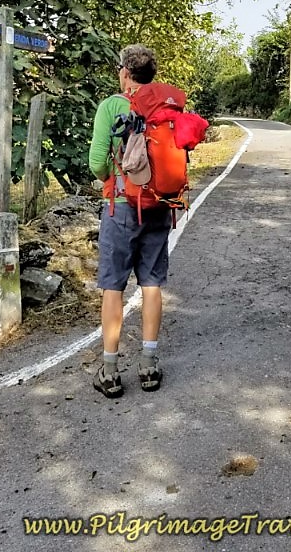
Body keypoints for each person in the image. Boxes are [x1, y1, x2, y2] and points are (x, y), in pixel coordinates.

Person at [87, 44, 171, 398]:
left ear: (124, 72)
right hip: (159, 205)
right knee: (151, 284)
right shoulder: (166, 104)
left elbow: (96, 162)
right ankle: (149, 366)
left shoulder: (112, 105)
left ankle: (109, 371)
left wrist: (111, 176)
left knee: (114, 286)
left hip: (121, 205)